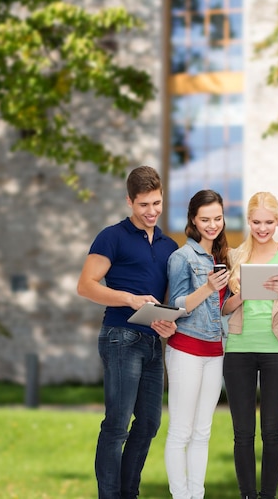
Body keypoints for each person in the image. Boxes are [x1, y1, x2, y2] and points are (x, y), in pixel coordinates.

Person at [77, 165, 179, 499]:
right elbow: (85, 286)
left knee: (149, 423)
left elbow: (165, 299)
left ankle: (127, 493)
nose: (151, 212)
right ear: (129, 202)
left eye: (157, 203)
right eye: (143, 205)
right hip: (120, 337)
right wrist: (129, 299)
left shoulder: (169, 246)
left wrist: (166, 321)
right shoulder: (112, 236)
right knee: (117, 424)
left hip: (152, 343)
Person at [222, 191, 278, 499]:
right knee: (243, 433)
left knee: (272, 431)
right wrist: (240, 294)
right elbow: (225, 309)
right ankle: (247, 495)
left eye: (269, 222)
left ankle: (268, 495)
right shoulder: (234, 256)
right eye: (256, 222)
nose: (263, 228)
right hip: (239, 350)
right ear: (249, 221)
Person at [164, 189, 231, 499]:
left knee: (203, 432)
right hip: (185, 350)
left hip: (215, 352)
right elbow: (176, 304)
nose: (212, 225)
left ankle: (196, 494)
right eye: (205, 219)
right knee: (181, 431)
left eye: (217, 218)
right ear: (193, 220)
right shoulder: (182, 257)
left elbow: (223, 309)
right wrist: (207, 287)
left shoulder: (223, 258)